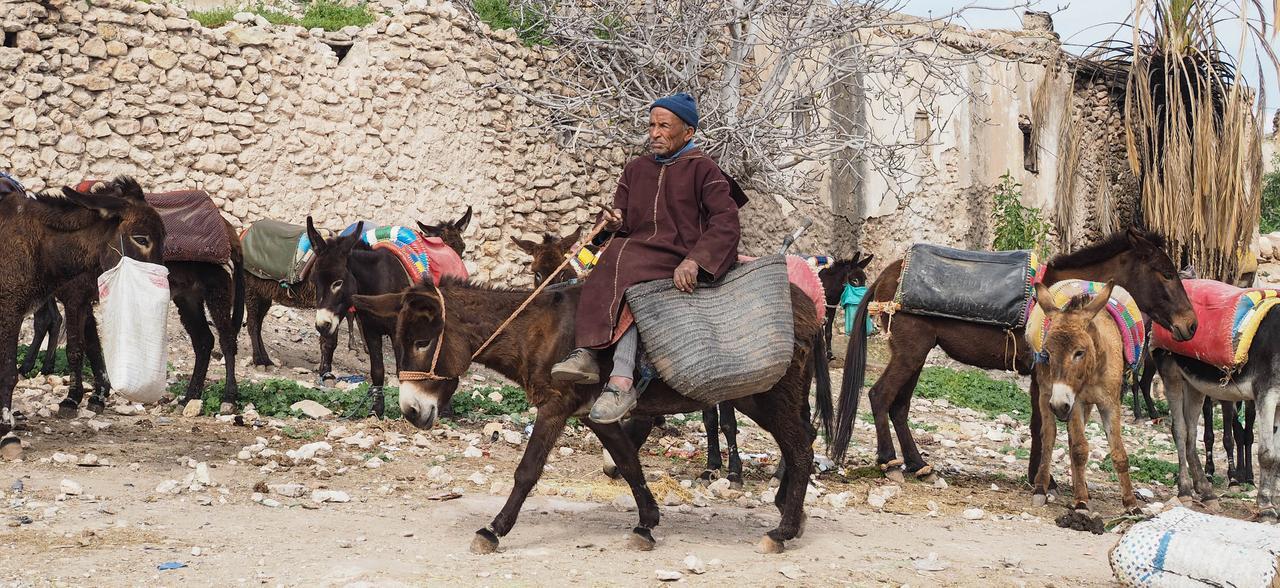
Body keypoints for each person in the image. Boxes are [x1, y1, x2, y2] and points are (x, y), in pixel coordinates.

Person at [550, 92, 742, 424]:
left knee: (623, 256)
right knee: (613, 253)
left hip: (679, 254)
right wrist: (610, 225)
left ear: (688, 132)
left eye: (663, 126)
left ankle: (620, 381)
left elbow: (726, 222)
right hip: (637, 253)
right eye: (651, 125)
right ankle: (587, 354)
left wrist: (695, 261)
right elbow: (617, 218)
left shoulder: (704, 170)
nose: (654, 133)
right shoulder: (635, 170)